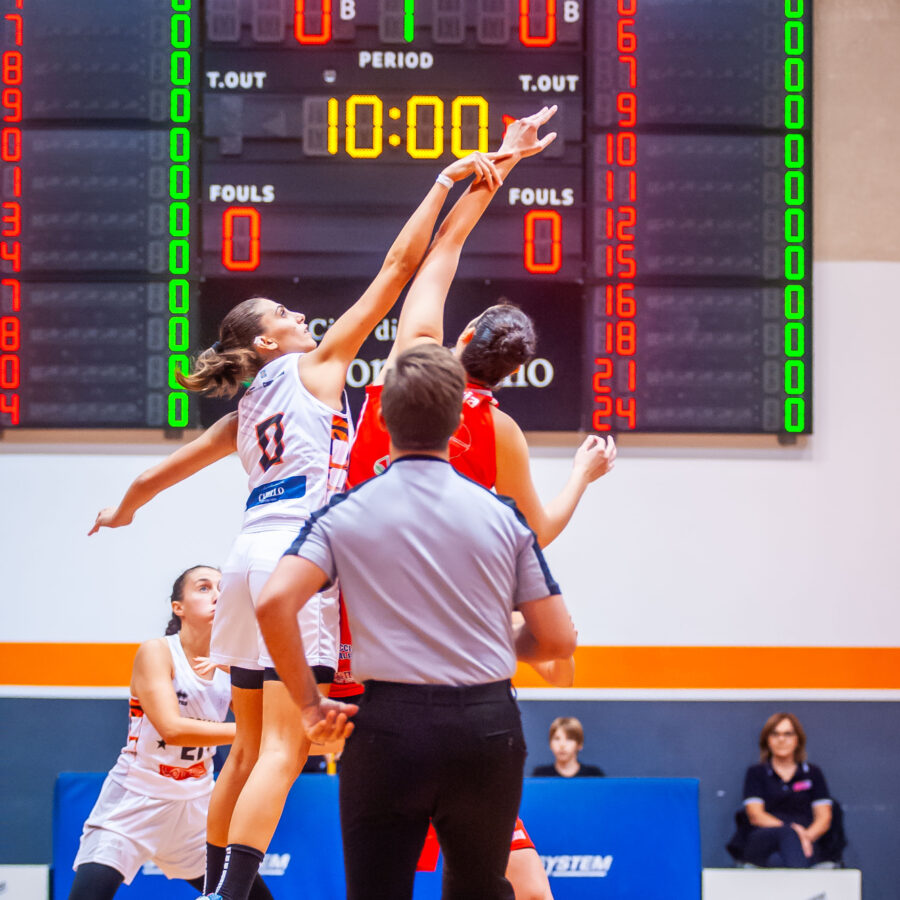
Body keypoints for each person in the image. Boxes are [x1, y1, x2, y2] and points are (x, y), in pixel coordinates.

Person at [87, 149, 506, 900]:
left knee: (245, 748)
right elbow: (398, 267)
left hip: (244, 554)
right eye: (283, 315)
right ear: (267, 344)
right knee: (284, 747)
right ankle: (227, 894)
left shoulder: (246, 408)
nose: (297, 317)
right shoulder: (314, 370)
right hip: (296, 556)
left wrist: (121, 511)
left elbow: (157, 475)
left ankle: (215, 885)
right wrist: (444, 185)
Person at [257, 343, 578, 900]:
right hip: (486, 724)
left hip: (386, 725)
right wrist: (493, 645)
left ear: (380, 418)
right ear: (459, 421)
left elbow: (272, 604)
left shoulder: (346, 511)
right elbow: (558, 639)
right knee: (480, 888)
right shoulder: (502, 516)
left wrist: (309, 704)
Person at [68, 567, 272, 899]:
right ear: (178, 606)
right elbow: (172, 729)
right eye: (204, 588)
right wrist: (245, 729)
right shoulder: (157, 651)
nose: (217, 594)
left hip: (196, 806)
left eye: (222, 588)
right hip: (136, 796)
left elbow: (267, 727)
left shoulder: (231, 664)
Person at [727, 712, 834, 868]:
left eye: (788, 734)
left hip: (806, 842)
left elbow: (824, 818)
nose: (781, 739)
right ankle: (800, 888)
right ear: (767, 740)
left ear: (798, 739)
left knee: (777, 861)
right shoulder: (757, 773)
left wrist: (805, 837)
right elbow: (756, 815)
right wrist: (793, 831)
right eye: (775, 734)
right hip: (764, 839)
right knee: (787, 836)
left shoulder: (812, 773)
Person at [531, 716, 605, 778]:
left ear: (579, 744)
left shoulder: (593, 775)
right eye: (557, 739)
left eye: (569, 739)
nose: (562, 745)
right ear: (550, 743)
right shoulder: (540, 775)